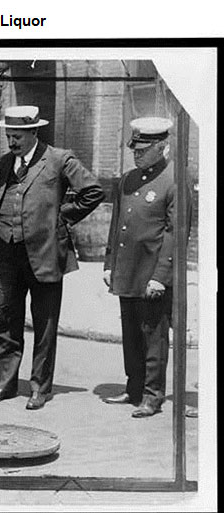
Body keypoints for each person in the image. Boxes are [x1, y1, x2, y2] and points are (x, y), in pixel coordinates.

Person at [0, 105, 104, 409]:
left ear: (34, 132)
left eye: (18, 136)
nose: (12, 142)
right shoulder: (3, 163)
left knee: (45, 324)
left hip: (45, 252)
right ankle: (6, 383)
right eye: (9, 135)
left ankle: (40, 387)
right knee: (6, 319)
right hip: (6, 252)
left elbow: (93, 191)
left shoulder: (60, 159)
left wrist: (61, 218)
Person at [103, 117, 192, 418]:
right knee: (130, 334)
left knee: (153, 336)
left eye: (142, 149)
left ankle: (153, 396)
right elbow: (118, 224)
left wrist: (161, 277)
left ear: (161, 146)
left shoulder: (175, 179)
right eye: (134, 149)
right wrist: (108, 263)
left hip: (152, 273)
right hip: (127, 271)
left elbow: (176, 233)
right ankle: (134, 388)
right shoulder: (128, 179)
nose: (136, 154)